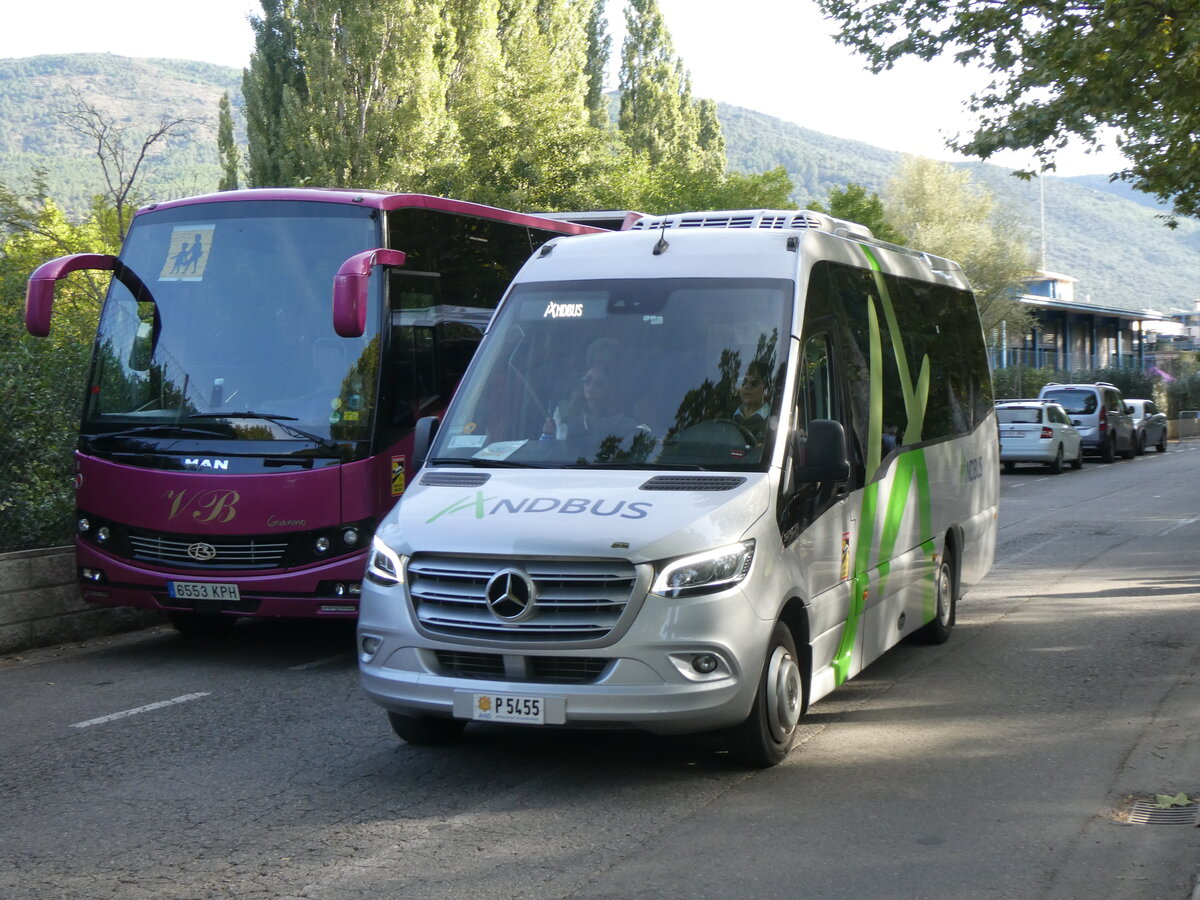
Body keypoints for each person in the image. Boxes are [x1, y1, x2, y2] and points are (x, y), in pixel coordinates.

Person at [733, 361, 772, 443]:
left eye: (754, 383)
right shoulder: (726, 417)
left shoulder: (775, 421)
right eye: (743, 382)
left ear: (766, 390)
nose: (747, 386)